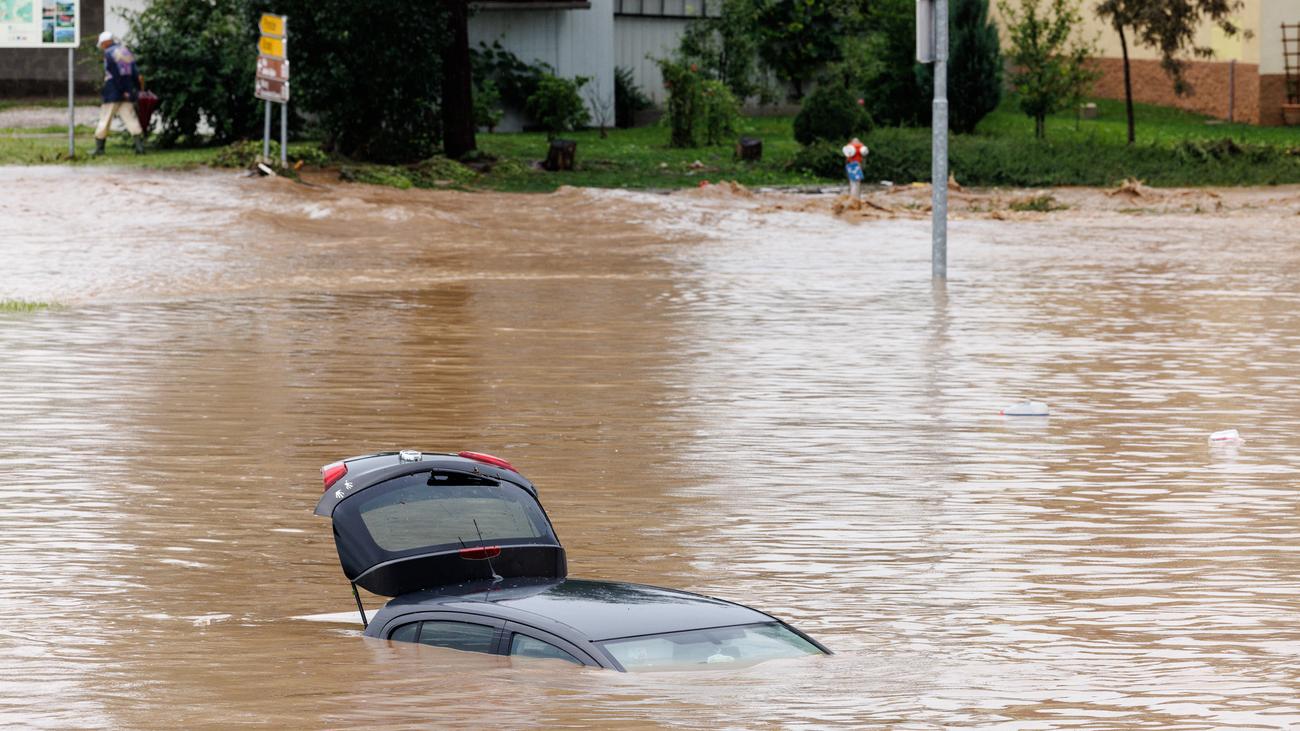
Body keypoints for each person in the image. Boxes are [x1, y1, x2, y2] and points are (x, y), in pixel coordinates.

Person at [94, 31, 145, 156]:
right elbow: (135, 73)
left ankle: (99, 149)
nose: (102, 47)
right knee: (130, 118)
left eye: (102, 44)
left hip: (113, 91)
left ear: (106, 42)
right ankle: (140, 148)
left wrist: (122, 90)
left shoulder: (108, 53)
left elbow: (115, 74)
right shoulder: (125, 51)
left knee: (105, 119)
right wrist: (132, 90)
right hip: (128, 90)